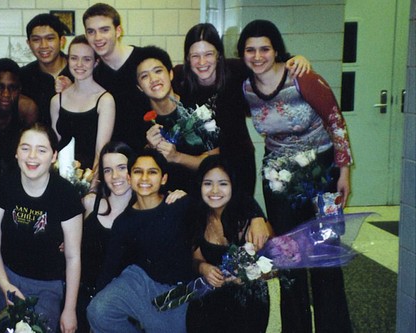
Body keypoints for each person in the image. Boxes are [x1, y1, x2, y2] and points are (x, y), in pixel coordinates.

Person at [238, 19, 354, 333]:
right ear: (242, 54)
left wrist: (344, 172)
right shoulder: (246, 87)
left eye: (265, 48)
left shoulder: (302, 77)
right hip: (279, 180)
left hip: (324, 175)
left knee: (326, 255)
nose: (258, 56)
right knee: (291, 259)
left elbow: (335, 122)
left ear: (277, 50)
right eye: (251, 50)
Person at [0, 123, 83, 333]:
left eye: (41, 150)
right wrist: (5, 285)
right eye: (25, 148)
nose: (32, 156)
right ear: (16, 153)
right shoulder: (2, 186)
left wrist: (70, 309)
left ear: (53, 156)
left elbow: (72, 257)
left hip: (45, 284)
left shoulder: (66, 195)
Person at [172, 23, 311, 195]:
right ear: (187, 58)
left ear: (219, 55)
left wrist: (296, 58)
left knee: (239, 217)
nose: (202, 62)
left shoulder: (237, 71)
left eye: (208, 54)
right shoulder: (179, 79)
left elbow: (269, 63)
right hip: (198, 165)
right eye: (195, 56)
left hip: (237, 162)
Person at [78, 141, 186, 333]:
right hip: (95, 292)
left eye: (121, 167)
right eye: (108, 170)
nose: (115, 176)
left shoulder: (160, 205)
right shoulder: (91, 203)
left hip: (148, 290)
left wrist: (256, 216)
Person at [186, 154, 272, 333]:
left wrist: (249, 274)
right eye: (208, 183)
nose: (215, 190)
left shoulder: (251, 221)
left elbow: (276, 267)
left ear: (233, 186)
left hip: (246, 302)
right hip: (210, 297)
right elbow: (196, 259)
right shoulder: (198, 215)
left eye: (223, 183)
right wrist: (203, 268)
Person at [138, 45, 220, 194]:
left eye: (158, 71)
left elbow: (214, 163)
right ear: (140, 87)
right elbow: (137, 171)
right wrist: (150, 148)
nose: (153, 79)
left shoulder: (199, 111)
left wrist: (177, 157)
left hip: (199, 195)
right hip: (159, 199)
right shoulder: (138, 119)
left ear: (170, 74)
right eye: (144, 76)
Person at [82, 3, 152, 151]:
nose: (97, 37)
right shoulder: (91, 72)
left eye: (104, 30)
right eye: (91, 32)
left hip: (146, 156)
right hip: (110, 159)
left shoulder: (145, 60)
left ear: (118, 31)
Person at [51, 34, 115, 173]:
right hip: (62, 175)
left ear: (96, 62)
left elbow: (101, 152)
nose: (79, 64)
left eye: (86, 59)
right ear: (68, 60)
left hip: (90, 176)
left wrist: (92, 188)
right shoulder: (57, 100)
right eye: (74, 58)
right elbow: (54, 147)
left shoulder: (105, 100)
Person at [0, 58, 38, 169]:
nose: (6, 94)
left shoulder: (26, 109)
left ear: (20, 88)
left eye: (12, 88)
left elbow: (31, 147)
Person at [21, 13, 74, 127]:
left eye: (50, 38)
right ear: (28, 43)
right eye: (36, 40)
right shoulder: (23, 76)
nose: (43, 45)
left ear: (62, 41)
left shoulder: (79, 71)